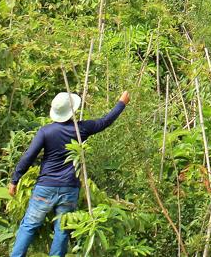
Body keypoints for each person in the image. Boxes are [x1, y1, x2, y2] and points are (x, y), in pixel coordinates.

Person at [8, 90, 130, 257]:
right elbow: (105, 121)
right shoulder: (81, 129)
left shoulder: (45, 131)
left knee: (29, 225)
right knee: (62, 229)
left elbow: (29, 156)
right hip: (69, 187)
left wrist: (15, 180)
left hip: (45, 186)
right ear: (72, 111)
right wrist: (121, 103)